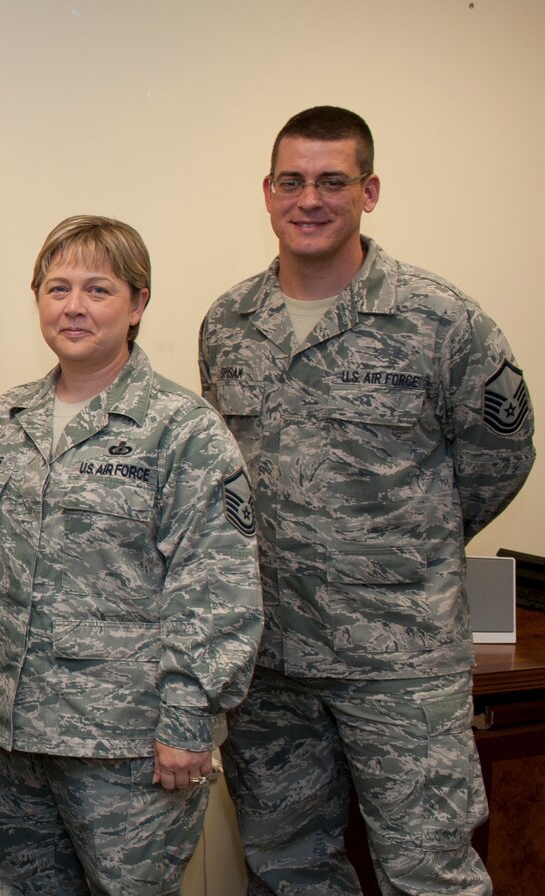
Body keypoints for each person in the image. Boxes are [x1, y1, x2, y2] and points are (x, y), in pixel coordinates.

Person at [199, 106, 533, 895]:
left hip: (400, 659)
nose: (309, 199)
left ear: (369, 190)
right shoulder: (228, 324)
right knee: (287, 870)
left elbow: (499, 461)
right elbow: (229, 480)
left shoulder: (442, 321)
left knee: (430, 875)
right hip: (271, 657)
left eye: (331, 181)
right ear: (268, 191)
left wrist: (400, 551)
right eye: (292, 181)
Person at [0, 215, 262, 895]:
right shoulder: (9, 422)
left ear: (138, 305)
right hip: (4, 735)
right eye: (57, 288)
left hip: (125, 748)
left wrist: (190, 717)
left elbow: (214, 586)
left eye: (98, 290)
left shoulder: (183, 431)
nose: (74, 306)